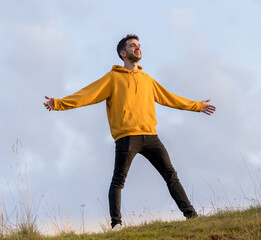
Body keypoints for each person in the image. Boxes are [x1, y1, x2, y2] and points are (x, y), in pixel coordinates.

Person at [43, 34, 216, 231]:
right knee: (118, 180)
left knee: (171, 175)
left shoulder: (147, 80)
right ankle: (116, 224)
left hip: (151, 137)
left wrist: (197, 106)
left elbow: (170, 98)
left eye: (139, 46)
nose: (138, 48)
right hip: (127, 138)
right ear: (123, 53)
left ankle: (191, 215)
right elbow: (87, 95)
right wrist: (58, 103)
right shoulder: (112, 78)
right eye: (133, 46)